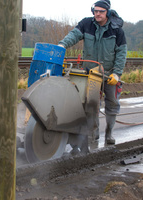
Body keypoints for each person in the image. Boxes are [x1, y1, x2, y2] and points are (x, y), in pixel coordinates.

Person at [58, 0, 127, 145]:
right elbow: (74, 35)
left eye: (101, 11)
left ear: (107, 12)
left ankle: (109, 133)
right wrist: (62, 45)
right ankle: (93, 133)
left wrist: (117, 73)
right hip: (90, 72)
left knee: (112, 103)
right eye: (95, 11)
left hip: (109, 74)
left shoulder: (117, 31)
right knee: (90, 103)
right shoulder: (86, 24)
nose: (97, 14)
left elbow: (121, 53)